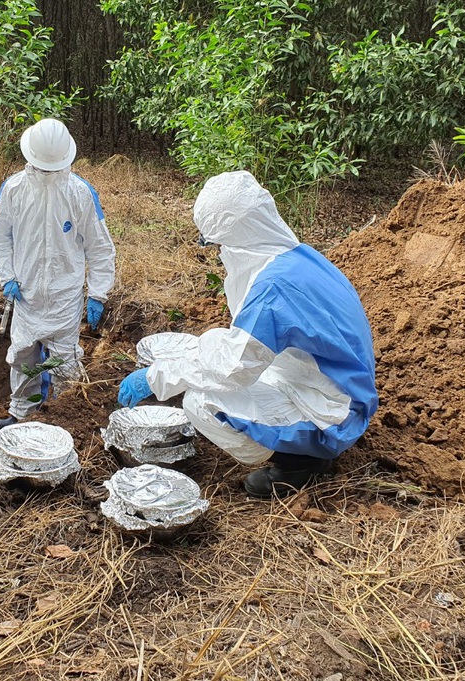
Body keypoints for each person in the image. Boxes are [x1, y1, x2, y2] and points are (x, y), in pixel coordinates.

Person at [117, 171, 378, 498]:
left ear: (233, 238)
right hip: (339, 388)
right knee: (211, 346)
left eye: (214, 243)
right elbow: (242, 349)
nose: (216, 251)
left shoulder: (272, 290)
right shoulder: (299, 259)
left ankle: (298, 464)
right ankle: (304, 447)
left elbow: (234, 369)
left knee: (200, 402)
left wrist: (158, 376)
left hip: (334, 413)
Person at [0, 118, 117, 430]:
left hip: (64, 297)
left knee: (64, 362)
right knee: (23, 357)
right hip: (27, 293)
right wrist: (7, 276)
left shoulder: (80, 193)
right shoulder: (15, 189)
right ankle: (21, 415)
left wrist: (98, 293)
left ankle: (64, 418)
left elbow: (100, 248)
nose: (46, 172)